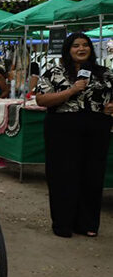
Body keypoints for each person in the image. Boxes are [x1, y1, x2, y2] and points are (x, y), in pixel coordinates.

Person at [35, 33, 113, 237]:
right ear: (68, 50)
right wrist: (71, 90)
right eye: (76, 45)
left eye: (85, 45)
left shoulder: (104, 73)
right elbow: (41, 100)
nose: (81, 49)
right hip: (62, 127)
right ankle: (63, 223)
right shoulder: (55, 72)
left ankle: (87, 223)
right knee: (63, 174)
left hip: (97, 127)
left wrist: (110, 108)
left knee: (92, 174)